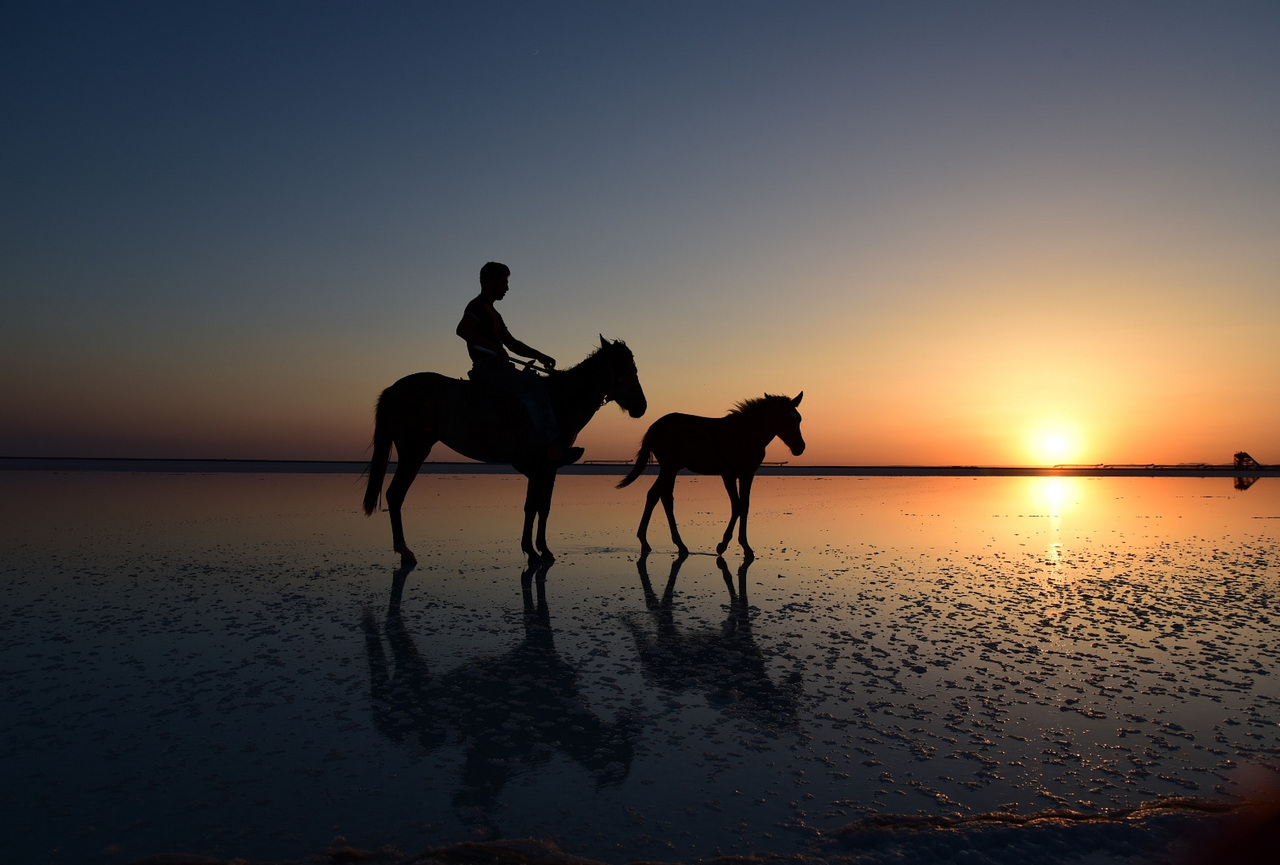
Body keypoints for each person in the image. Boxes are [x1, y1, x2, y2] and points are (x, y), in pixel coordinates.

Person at [456, 262, 584, 466]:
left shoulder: (494, 314)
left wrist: (539, 355)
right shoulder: (476, 307)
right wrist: (495, 349)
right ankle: (552, 446)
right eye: (503, 282)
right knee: (537, 389)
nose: (507, 288)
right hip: (488, 368)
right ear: (490, 282)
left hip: (498, 367)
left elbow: (513, 344)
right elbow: (463, 330)